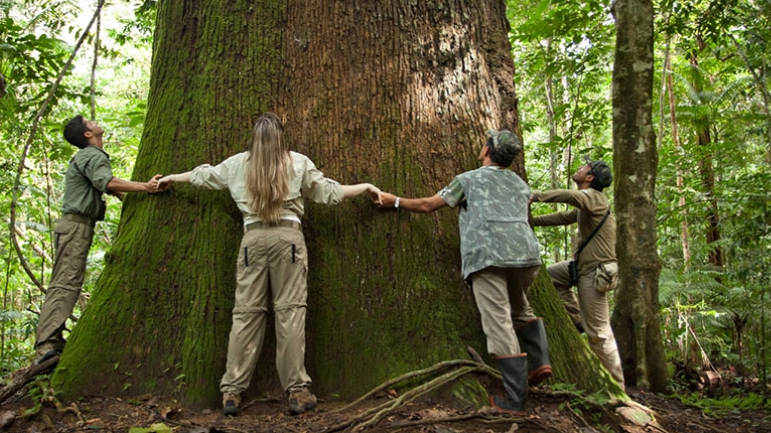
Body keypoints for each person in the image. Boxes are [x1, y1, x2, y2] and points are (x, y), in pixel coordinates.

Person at [156, 112, 380, 417]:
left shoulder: (237, 164)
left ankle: (232, 392)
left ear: (253, 138)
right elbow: (328, 193)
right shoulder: (298, 162)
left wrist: (172, 177)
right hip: (287, 240)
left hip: (252, 241)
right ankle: (297, 392)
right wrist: (365, 186)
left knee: (246, 314)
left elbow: (203, 175)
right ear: (281, 137)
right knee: (289, 313)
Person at [375, 130, 550, 415]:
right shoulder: (520, 184)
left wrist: (394, 201)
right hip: (526, 256)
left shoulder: (468, 179)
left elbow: (428, 205)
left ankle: (515, 400)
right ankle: (540, 362)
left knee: (499, 323)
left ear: (486, 150)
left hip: (489, 257)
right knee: (520, 307)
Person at [34, 116, 163, 364]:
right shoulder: (93, 155)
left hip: (73, 226)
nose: (94, 121)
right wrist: (147, 187)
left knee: (66, 280)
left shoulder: (86, 158)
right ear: (87, 134)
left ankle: (54, 340)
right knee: (66, 282)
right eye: (89, 121)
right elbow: (107, 182)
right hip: (75, 227)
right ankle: (46, 346)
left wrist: (126, 193)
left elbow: (108, 187)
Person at [530, 156, 624, 386]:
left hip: (595, 272)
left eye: (584, 168)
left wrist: (535, 196)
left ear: (589, 178)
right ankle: (576, 318)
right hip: (581, 267)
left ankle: (617, 387)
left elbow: (571, 197)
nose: (580, 168)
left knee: (599, 332)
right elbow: (565, 217)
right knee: (550, 275)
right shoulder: (589, 204)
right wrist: (531, 221)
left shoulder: (593, 197)